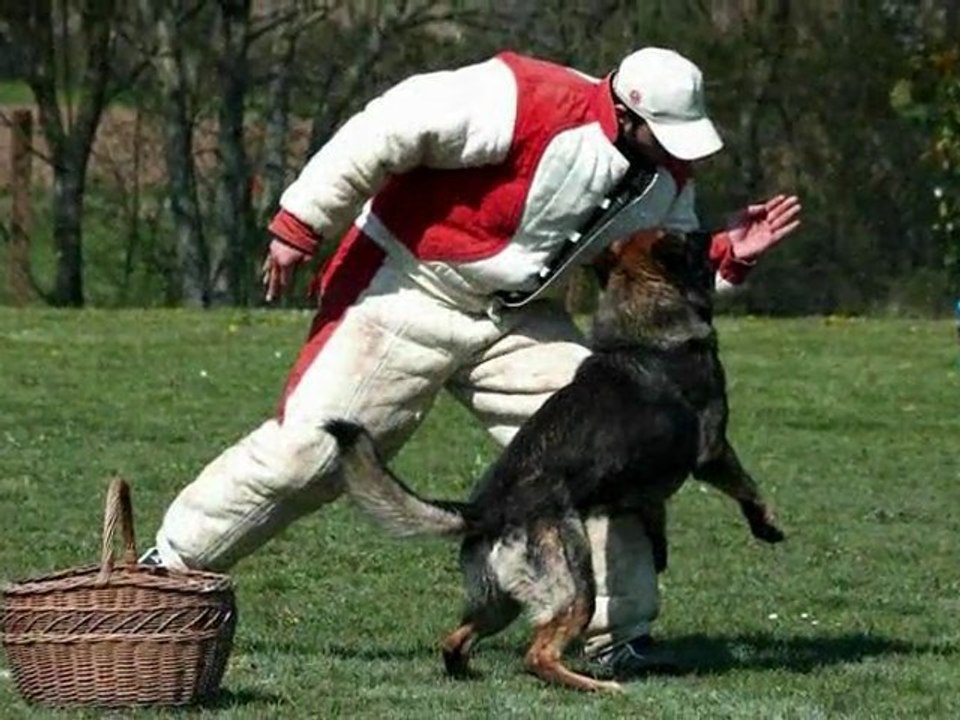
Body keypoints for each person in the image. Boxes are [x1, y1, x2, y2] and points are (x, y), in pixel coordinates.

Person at [142, 47, 801, 676]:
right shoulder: (519, 96)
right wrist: (301, 222)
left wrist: (728, 255)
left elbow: (666, 289)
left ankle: (617, 637)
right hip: (409, 288)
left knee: (620, 445)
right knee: (307, 455)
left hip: (520, 317)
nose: (676, 153)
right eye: (664, 133)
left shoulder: (665, 177)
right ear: (626, 111)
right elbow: (387, 126)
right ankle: (163, 573)